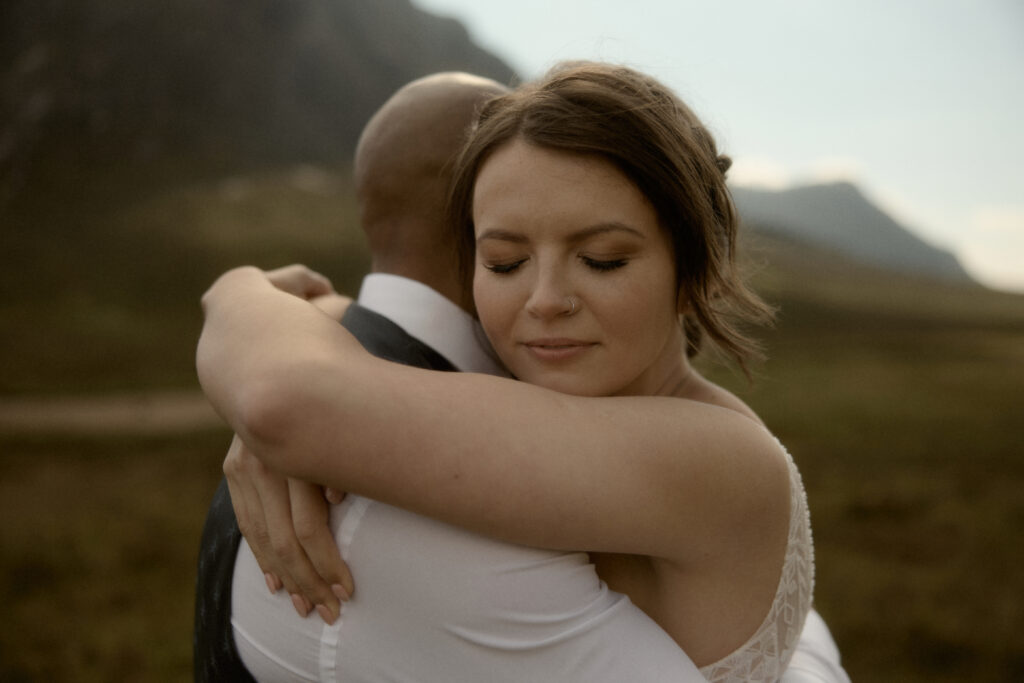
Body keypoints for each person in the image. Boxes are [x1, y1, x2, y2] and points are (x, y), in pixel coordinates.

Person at [197, 67, 850, 682]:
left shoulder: (712, 456)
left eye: (601, 259)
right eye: (505, 262)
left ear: (692, 272)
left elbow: (285, 399)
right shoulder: (578, 402)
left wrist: (235, 293)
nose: (544, 300)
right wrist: (320, 328)